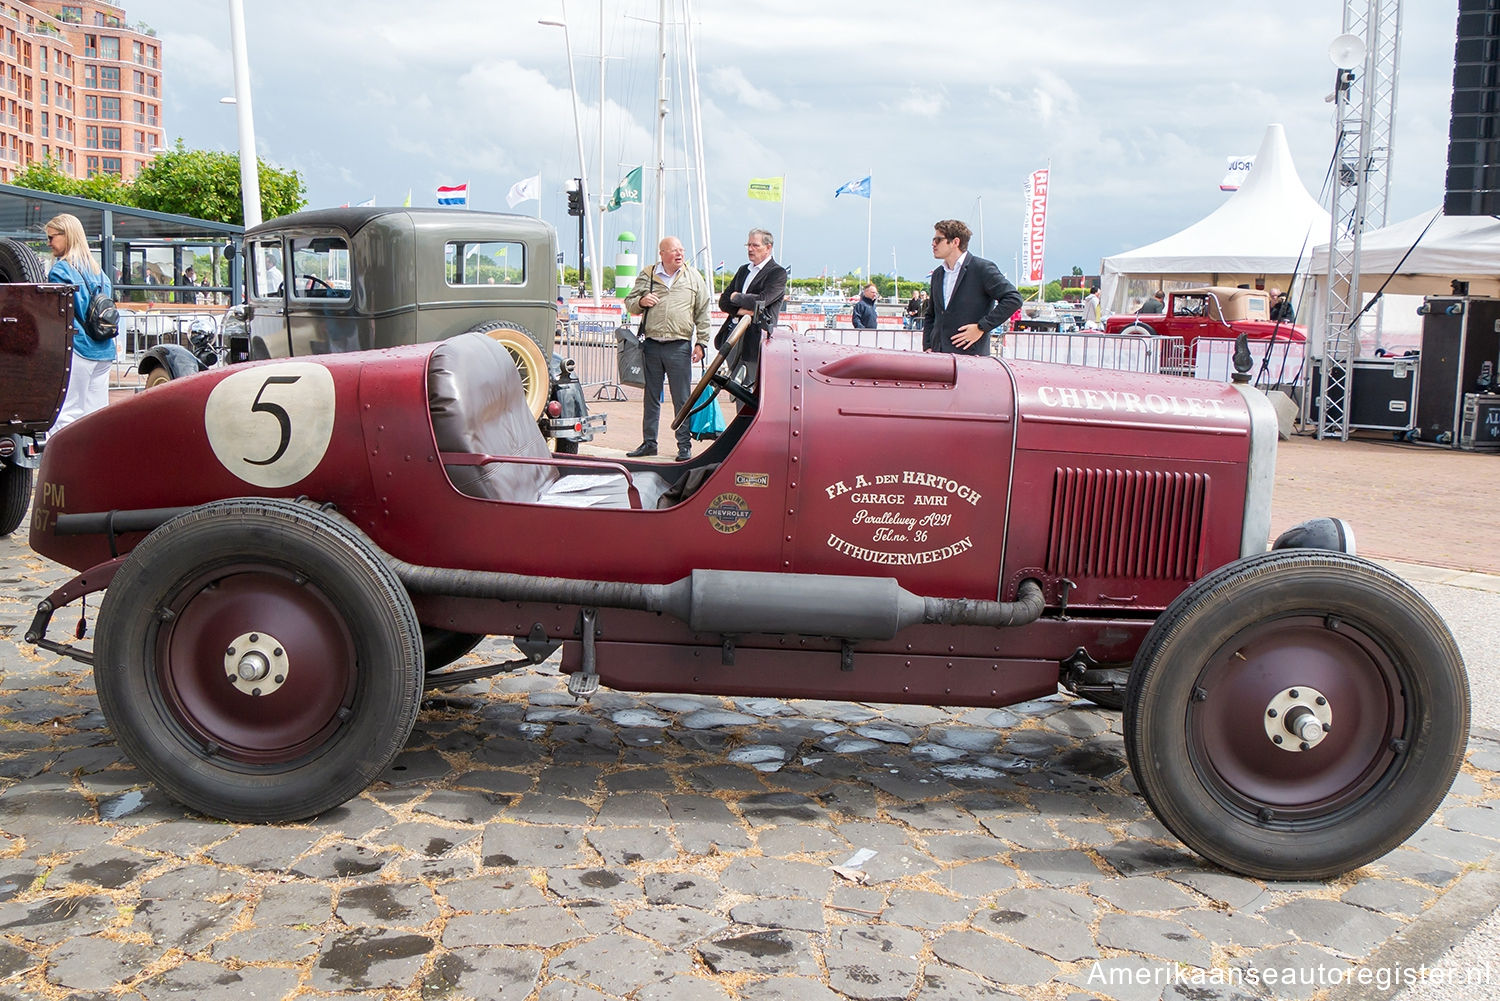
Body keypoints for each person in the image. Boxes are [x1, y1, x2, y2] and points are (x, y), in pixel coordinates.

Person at [625, 236, 710, 461]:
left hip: (679, 346)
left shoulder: (693, 277)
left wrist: (702, 342)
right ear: (662, 253)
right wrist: (642, 301)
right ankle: (649, 443)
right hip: (652, 345)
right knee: (651, 397)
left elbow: (703, 310)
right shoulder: (648, 274)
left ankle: (684, 446)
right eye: (674, 250)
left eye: (681, 250)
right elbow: (630, 302)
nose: (679, 254)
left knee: (682, 399)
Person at [45, 213, 114, 433]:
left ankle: (63, 466)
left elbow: (57, 314)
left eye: (52, 237)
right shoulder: (99, 272)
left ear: (67, 236)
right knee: (96, 416)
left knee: (66, 413)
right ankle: (95, 462)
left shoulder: (61, 270)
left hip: (77, 348)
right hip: (104, 349)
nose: (49, 244)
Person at [922, 219, 1022, 356]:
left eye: (938, 240)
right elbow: (931, 315)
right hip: (938, 357)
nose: (933, 244)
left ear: (955, 242)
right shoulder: (938, 274)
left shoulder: (982, 269)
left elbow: (1013, 299)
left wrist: (981, 327)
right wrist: (927, 345)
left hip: (971, 359)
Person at [717, 227, 787, 371]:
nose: (750, 249)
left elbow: (762, 301)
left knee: (751, 389)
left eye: (755, 245)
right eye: (748, 245)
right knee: (732, 387)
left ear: (768, 248)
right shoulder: (743, 270)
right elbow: (723, 302)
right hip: (733, 337)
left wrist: (735, 296)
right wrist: (741, 311)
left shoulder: (777, 273)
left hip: (756, 343)